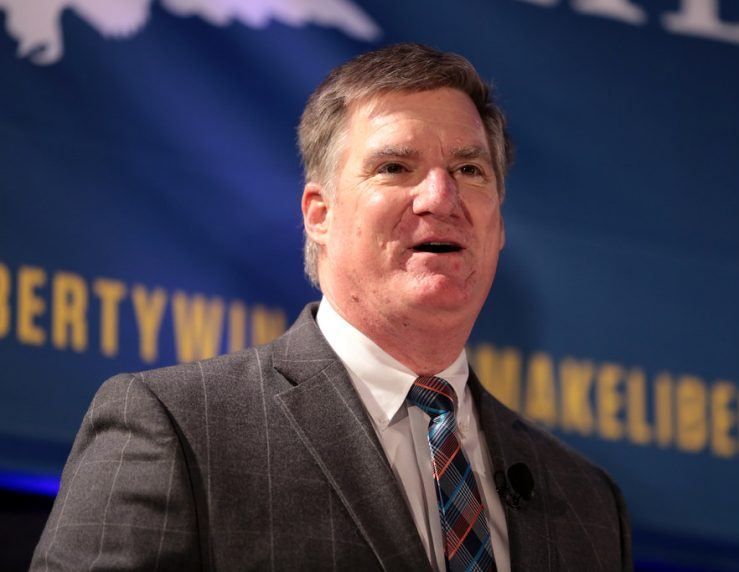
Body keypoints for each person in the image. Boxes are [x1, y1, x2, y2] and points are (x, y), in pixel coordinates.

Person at [31, 43, 632, 571]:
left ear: (498, 226)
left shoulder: (586, 501)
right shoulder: (177, 429)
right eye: (395, 167)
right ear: (319, 214)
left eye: (469, 169)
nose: (440, 197)